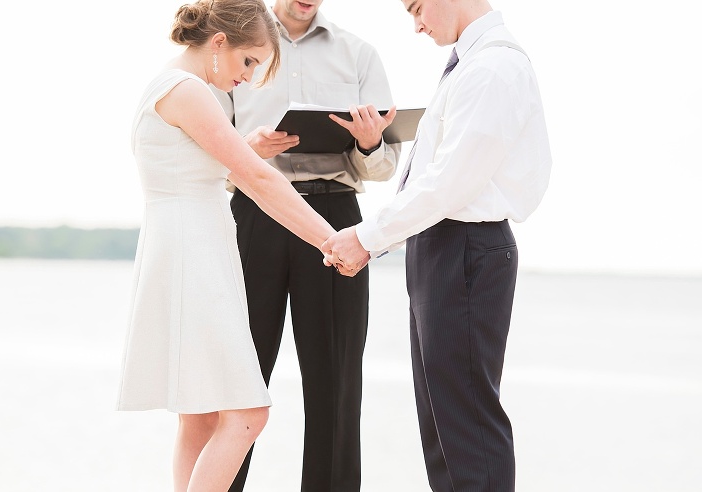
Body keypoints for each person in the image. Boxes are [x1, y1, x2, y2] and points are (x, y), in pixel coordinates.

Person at [323, 1, 553, 490]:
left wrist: (367, 238)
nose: (417, 25)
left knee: (466, 426)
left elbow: (450, 183)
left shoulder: (492, 67)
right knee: (443, 432)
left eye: (417, 7)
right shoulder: (472, 63)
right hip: (442, 246)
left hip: (464, 247)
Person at [115, 2, 339, 491]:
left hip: (187, 247)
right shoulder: (188, 90)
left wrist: (245, 148)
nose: (249, 77)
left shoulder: (175, 86)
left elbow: (199, 164)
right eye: (248, 62)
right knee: (247, 415)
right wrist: (331, 239)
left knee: (199, 416)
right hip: (191, 254)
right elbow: (256, 178)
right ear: (219, 43)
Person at [217, 1, 401, 490]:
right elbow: (207, 147)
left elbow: (385, 166)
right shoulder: (239, 48)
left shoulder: (359, 54)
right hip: (256, 214)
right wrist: (247, 149)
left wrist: (367, 144)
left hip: (335, 219)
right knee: (240, 377)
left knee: (336, 381)